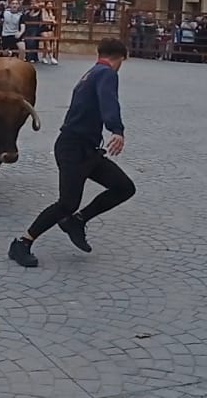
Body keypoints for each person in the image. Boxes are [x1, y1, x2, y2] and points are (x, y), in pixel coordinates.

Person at [8, 38, 136, 268]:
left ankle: (77, 221)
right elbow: (110, 101)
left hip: (87, 150)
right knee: (66, 203)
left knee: (124, 187)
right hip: (73, 149)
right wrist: (116, 129)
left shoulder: (92, 72)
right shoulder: (106, 73)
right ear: (120, 58)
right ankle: (21, 243)